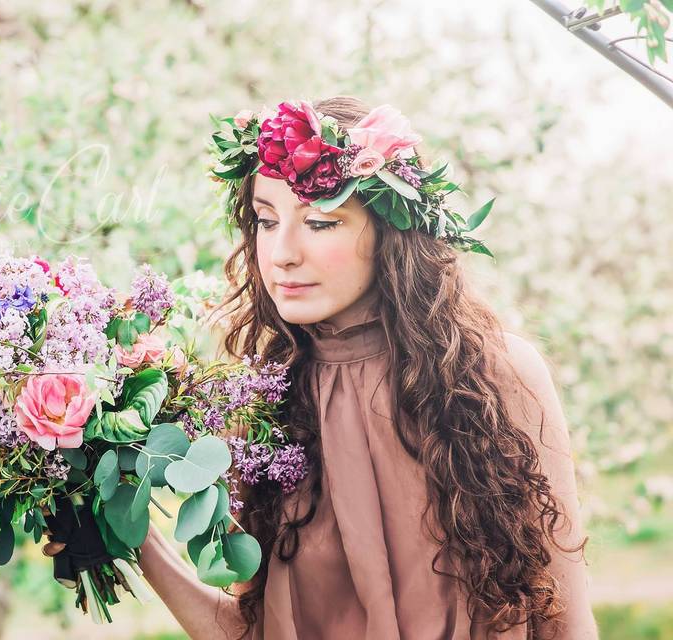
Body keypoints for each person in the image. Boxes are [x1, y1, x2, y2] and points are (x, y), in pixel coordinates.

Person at [133, 96, 596, 639]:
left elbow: (565, 618)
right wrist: (135, 539)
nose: (281, 253)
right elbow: (255, 630)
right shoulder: (257, 406)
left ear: (389, 232)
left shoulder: (497, 375)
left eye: (321, 222)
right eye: (265, 219)